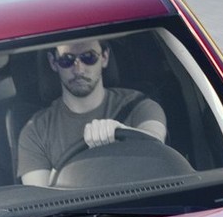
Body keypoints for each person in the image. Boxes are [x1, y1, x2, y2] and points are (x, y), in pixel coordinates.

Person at [17, 36, 168, 185]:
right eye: (67, 59)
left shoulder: (139, 106)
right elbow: (43, 201)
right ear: (53, 62)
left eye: (88, 57)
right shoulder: (35, 131)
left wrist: (124, 132)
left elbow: (156, 143)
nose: (79, 69)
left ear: (104, 57)